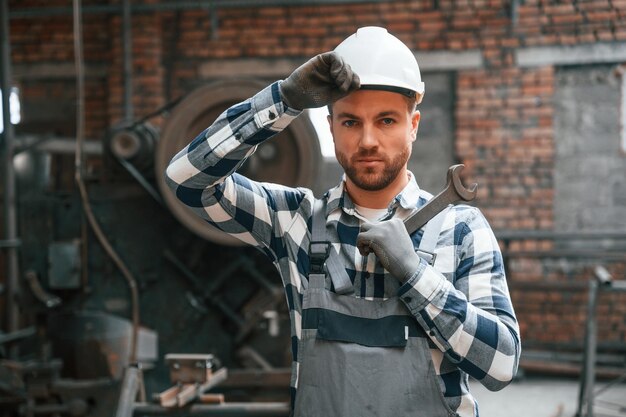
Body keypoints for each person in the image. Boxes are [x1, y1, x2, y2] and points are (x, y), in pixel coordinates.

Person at [165, 26, 520, 417]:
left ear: (413, 125)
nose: (368, 140)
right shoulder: (293, 222)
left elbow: (501, 365)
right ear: (331, 126)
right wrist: (282, 100)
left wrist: (417, 276)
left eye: (386, 121)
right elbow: (187, 179)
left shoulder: (460, 229)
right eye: (351, 122)